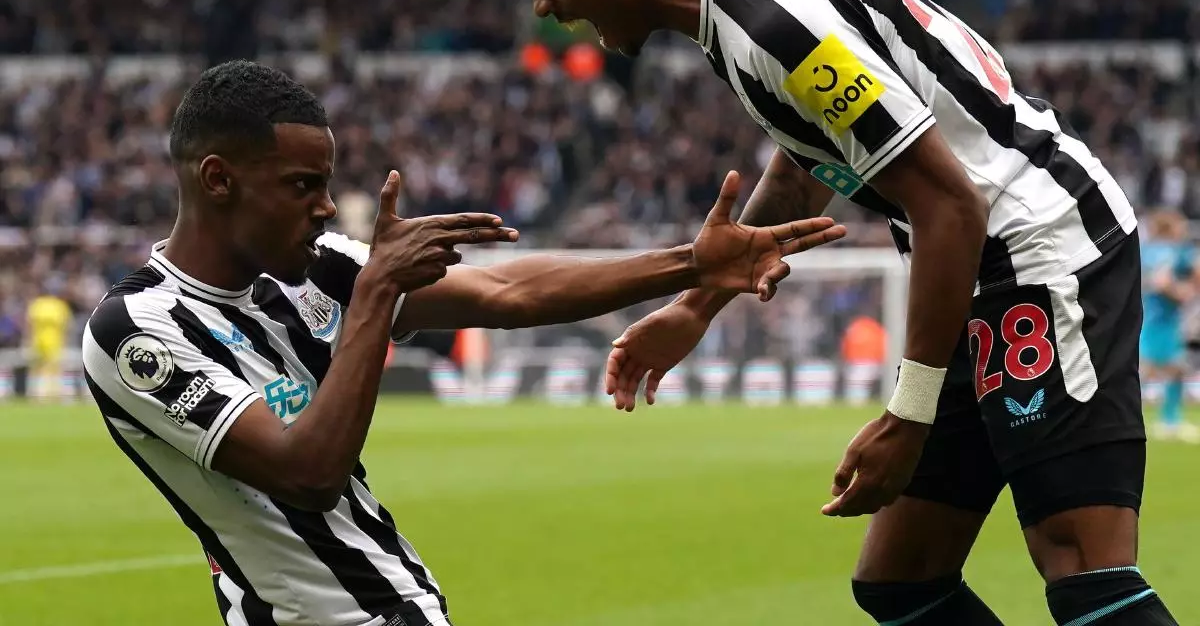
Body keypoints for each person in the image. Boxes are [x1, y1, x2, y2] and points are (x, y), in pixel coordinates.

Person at [508, 0, 1174, 625]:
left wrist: (909, 411)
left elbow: (950, 204)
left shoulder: (771, 20)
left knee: (1083, 567)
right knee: (901, 581)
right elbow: (803, 169)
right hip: (976, 268)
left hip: (1041, 249)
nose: (544, 6)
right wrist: (695, 308)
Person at [80, 59, 844, 626]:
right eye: (301, 185)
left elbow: (507, 292)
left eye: (327, 184)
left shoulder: (320, 270)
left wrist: (688, 266)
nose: (326, 208)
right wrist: (377, 293)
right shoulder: (138, 331)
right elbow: (307, 474)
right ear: (218, 180)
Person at [1139, 209, 1198, 441]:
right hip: (1160, 321)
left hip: (1155, 318)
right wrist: (1183, 293)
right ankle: (1169, 421)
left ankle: (1167, 420)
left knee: (1166, 369)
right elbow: (1162, 281)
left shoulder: (1147, 250)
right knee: (1157, 369)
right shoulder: (1167, 251)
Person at [26, 279, 73, 401]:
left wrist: (27, 340)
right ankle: (52, 393)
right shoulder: (60, 305)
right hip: (54, 342)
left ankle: (36, 393)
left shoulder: (37, 304)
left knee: (37, 368)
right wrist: (66, 341)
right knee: (53, 369)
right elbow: (67, 326)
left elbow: (29, 324)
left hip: (38, 341)